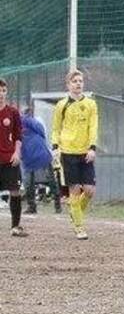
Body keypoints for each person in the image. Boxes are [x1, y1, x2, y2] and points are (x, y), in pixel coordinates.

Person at [52, 70, 99, 240]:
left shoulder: (91, 104)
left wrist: (92, 147)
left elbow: (93, 126)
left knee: (89, 190)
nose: (78, 84)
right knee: (74, 189)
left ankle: (74, 210)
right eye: (75, 81)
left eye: (80, 81)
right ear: (68, 85)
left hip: (85, 151)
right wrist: (55, 147)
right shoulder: (61, 105)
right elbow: (56, 128)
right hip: (67, 151)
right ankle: (79, 227)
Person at [21, 105, 60, 215]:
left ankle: (57, 204)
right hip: (27, 157)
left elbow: (41, 131)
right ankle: (32, 206)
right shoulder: (13, 126)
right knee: (28, 182)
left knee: (50, 179)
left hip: (40, 153)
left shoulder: (27, 120)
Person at [0, 80, 25, 236]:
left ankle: (15, 226)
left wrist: (17, 153)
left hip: (9, 159)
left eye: (3, 90)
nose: (1, 94)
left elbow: (18, 135)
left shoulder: (13, 112)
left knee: (15, 191)